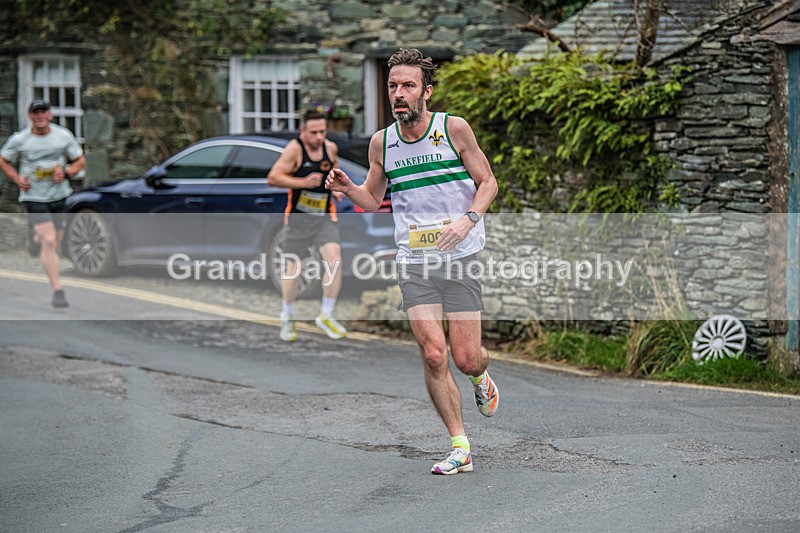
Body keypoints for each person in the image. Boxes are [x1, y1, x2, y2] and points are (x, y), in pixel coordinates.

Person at [325, 49, 500, 475]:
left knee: (465, 358)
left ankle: (481, 374)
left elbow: (488, 182)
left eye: (407, 86)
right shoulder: (381, 142)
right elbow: (372, 199)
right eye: (393, 86)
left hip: (460, 257)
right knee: (434, 354)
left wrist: (467, 220)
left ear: (427, 91)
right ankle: (460, 445)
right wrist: (349, 188)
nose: (398, 94)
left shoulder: (453, 129)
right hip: (414, 261)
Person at [268, 108, 348, 342]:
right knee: (295, 269)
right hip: (298, 219)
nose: (319, 137)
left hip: (324, 217)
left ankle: (326, 314)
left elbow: (335, 172)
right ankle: (288, 315)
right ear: (302, 131)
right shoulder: (294, 150)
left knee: (334, 260)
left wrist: (338, 189)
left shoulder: (329, 148)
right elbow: (273, 177)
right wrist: (302, 181)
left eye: (322, 131)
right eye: (314, 132)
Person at [0, 99, 85, 308]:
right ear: (30, 116)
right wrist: (18, 179)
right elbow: (3, 160)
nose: (40, 116)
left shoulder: (62, 136)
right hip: (33, 196)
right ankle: (58, 290)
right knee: (49, 242)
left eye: (43, 112)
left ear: (50, 115)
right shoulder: (20, 140)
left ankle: (35, 237)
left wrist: (66, 173)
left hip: (59, 195)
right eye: (35, 113)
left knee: (55, 241)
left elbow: (80, 161)